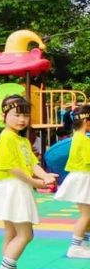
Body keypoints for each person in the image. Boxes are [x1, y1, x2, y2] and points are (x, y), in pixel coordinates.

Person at [0, 96, 57, 269]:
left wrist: (45, 175)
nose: (21, 119)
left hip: (17, 188)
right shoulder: (6, 137)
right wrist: (37, 182)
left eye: (25, 115)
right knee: (25, 234)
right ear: (4, 116)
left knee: (12, 233)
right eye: (16, 115)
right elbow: (14, 169)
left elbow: (32, 164)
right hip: (14, 187)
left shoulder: (20, 139)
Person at [55, 104, 90, 259]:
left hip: (80, 177)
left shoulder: (77, 137)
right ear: (87, 121)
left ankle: (81, 243)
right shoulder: (83, 139)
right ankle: (75, 246)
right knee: (86, 215)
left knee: (87, 214)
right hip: (83, 178)